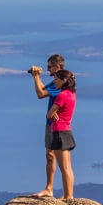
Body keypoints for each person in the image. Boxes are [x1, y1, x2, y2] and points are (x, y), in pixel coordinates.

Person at [28, 54, 66, 197]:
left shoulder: (61, 81)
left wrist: (36, 76)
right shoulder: (56, 81)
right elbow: (44, 90)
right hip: (51, 122)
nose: (48, 70)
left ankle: (64, 191)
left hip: (58, 124)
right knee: (50, 155)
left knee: (62, 159)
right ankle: (49, 188)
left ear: (57, 66)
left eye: (50, 67)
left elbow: (40, 94)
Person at [45, 69, 77, 200]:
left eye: (57, 79)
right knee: (68, 167)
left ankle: (68, 196)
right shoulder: (71, 94)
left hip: (59, 132)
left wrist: (53, 114)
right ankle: (68, 194)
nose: (54, 81)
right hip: (67, 131)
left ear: (64, 81)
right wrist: (55, 113)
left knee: (63, 168)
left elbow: (49, 114)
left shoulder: (61, 95)